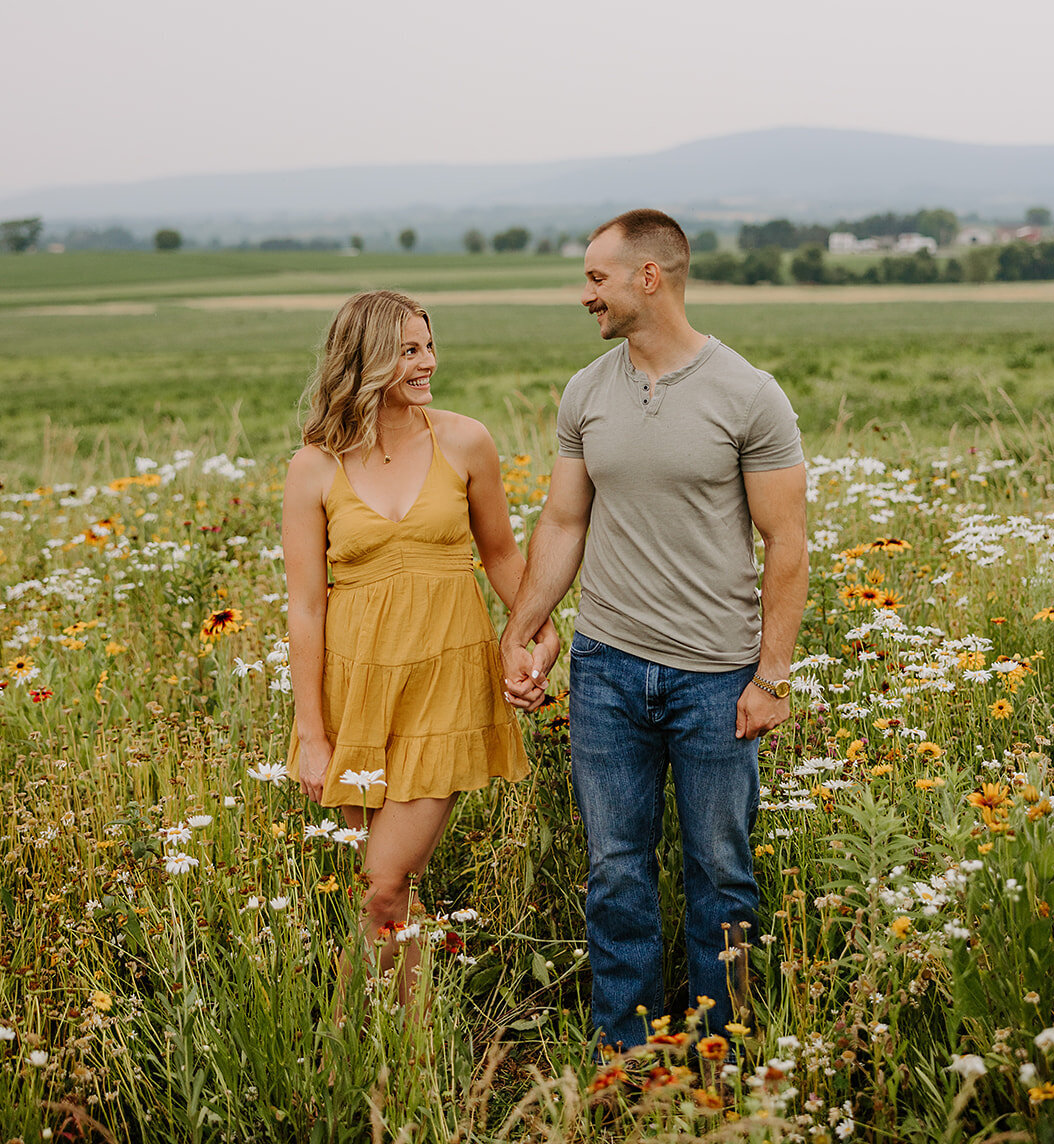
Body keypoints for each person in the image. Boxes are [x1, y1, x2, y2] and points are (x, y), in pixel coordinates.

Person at [501, 210, 808, 1052]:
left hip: (715, 676)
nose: (583, 294)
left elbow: (787, 543)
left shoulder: (747, 393)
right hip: (604, 668)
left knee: (720, 875)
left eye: (596, 277)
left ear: (649, 277)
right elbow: (563, 523)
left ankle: (725, 1058)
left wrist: (769, 678)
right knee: (615, 875)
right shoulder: (586, 391)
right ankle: (624, 1057)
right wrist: (521, 628)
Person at [284, 289, 557, 1003]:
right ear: (366, 358)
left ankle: (345, 1048)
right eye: (409, 350)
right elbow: (306, 608)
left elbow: (501, 557)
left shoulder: (464, 440)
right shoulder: (313, 466)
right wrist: (312, 737)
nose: (428, 361)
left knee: (382, 884)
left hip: (446, 682)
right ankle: (405, 1053)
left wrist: (534, 629)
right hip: (355, 693)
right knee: (382, 896)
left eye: (428, 345)